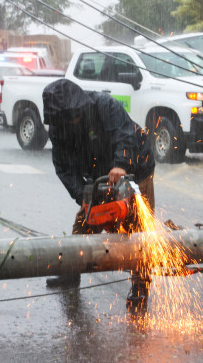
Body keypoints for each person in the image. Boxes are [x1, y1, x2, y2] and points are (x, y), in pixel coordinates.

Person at [42, 79, 155, 293]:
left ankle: (140, 284)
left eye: (75, 116)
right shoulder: (58, 129)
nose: (73, 121)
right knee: (82, 224)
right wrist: (85, 197)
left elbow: (125, 134)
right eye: (68, 118)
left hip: (135, 167)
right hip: (99, 175)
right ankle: (70, 272)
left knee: (139, 227)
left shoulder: (105, 105)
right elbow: (64, 168)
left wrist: (121, 165)